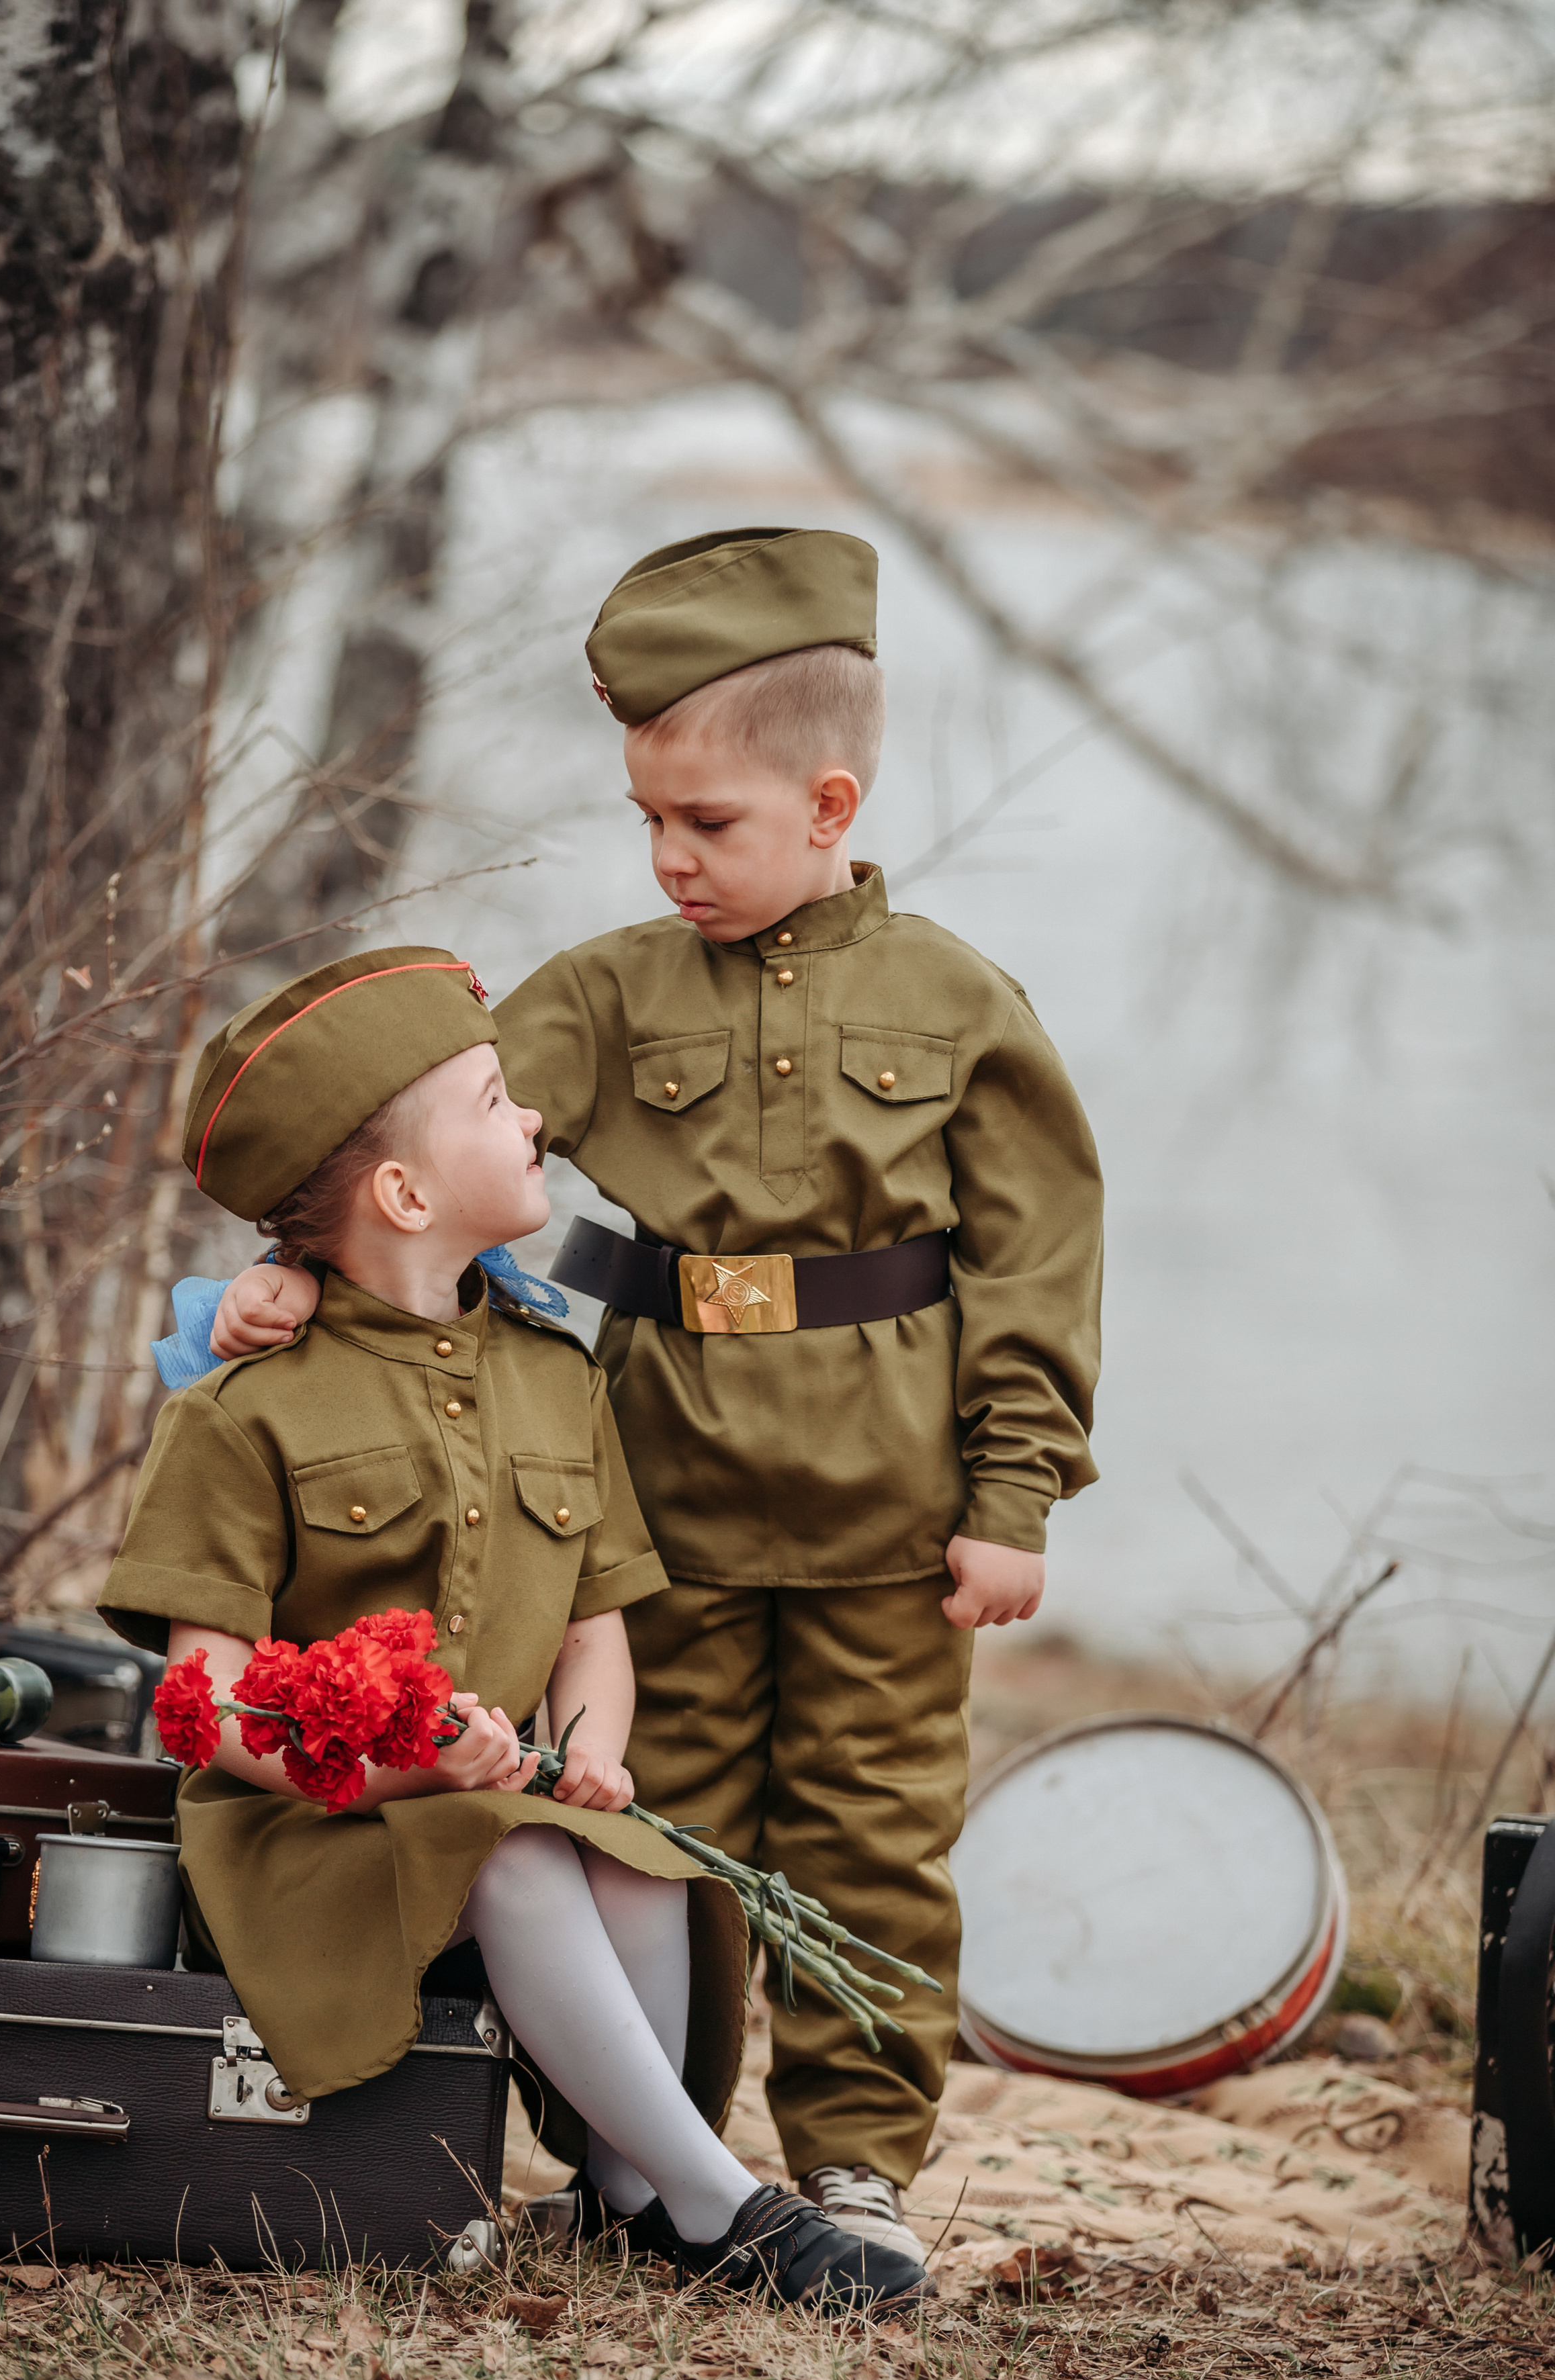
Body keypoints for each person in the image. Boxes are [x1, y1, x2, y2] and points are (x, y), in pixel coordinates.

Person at [188, 528, 1105, 2265]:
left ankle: (853, 2169)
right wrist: (293, 1262)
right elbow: (427, 1142)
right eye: (651, 822)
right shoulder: (611, 991)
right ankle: (652, 2156)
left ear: (829, 807)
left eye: (713, 824)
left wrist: (1014, 1496)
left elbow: (1040, 1256)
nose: (672, 858)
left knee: (874, 1838)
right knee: (649, 1824)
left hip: (889, 1511)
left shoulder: (961, 1003)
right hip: (655, 1496)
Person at [99, 944, 927, 2312]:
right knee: (525, 1867)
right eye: (491, 1100)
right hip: (313, 1833)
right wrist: (373, 1767)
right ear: (405, 1193)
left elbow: (592, 1627)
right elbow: (209, 1697)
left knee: (636, 1860)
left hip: (503, 1798)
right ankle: (724, 2205)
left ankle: (630, 2191)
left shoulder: (553, 1375)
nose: (531, 1115)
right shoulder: (241, 1410)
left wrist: (590, 1756)